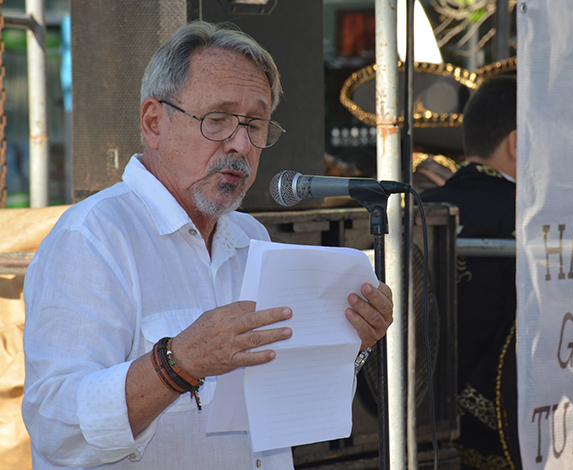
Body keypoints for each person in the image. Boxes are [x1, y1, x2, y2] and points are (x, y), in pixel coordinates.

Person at [22, 21, 393, 470]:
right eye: (217, 119)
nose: (240, 144)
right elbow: (56, 426)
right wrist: (176, 364)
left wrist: (349, 342)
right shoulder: (93, 237)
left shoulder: (252, 237)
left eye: (256, 124)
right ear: (154, 122)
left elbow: (284, 408)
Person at [421, 76, 520, 470]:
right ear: (517, 143)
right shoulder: (530, 217)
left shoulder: (420, 206)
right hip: (504, 438)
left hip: (412, 426)